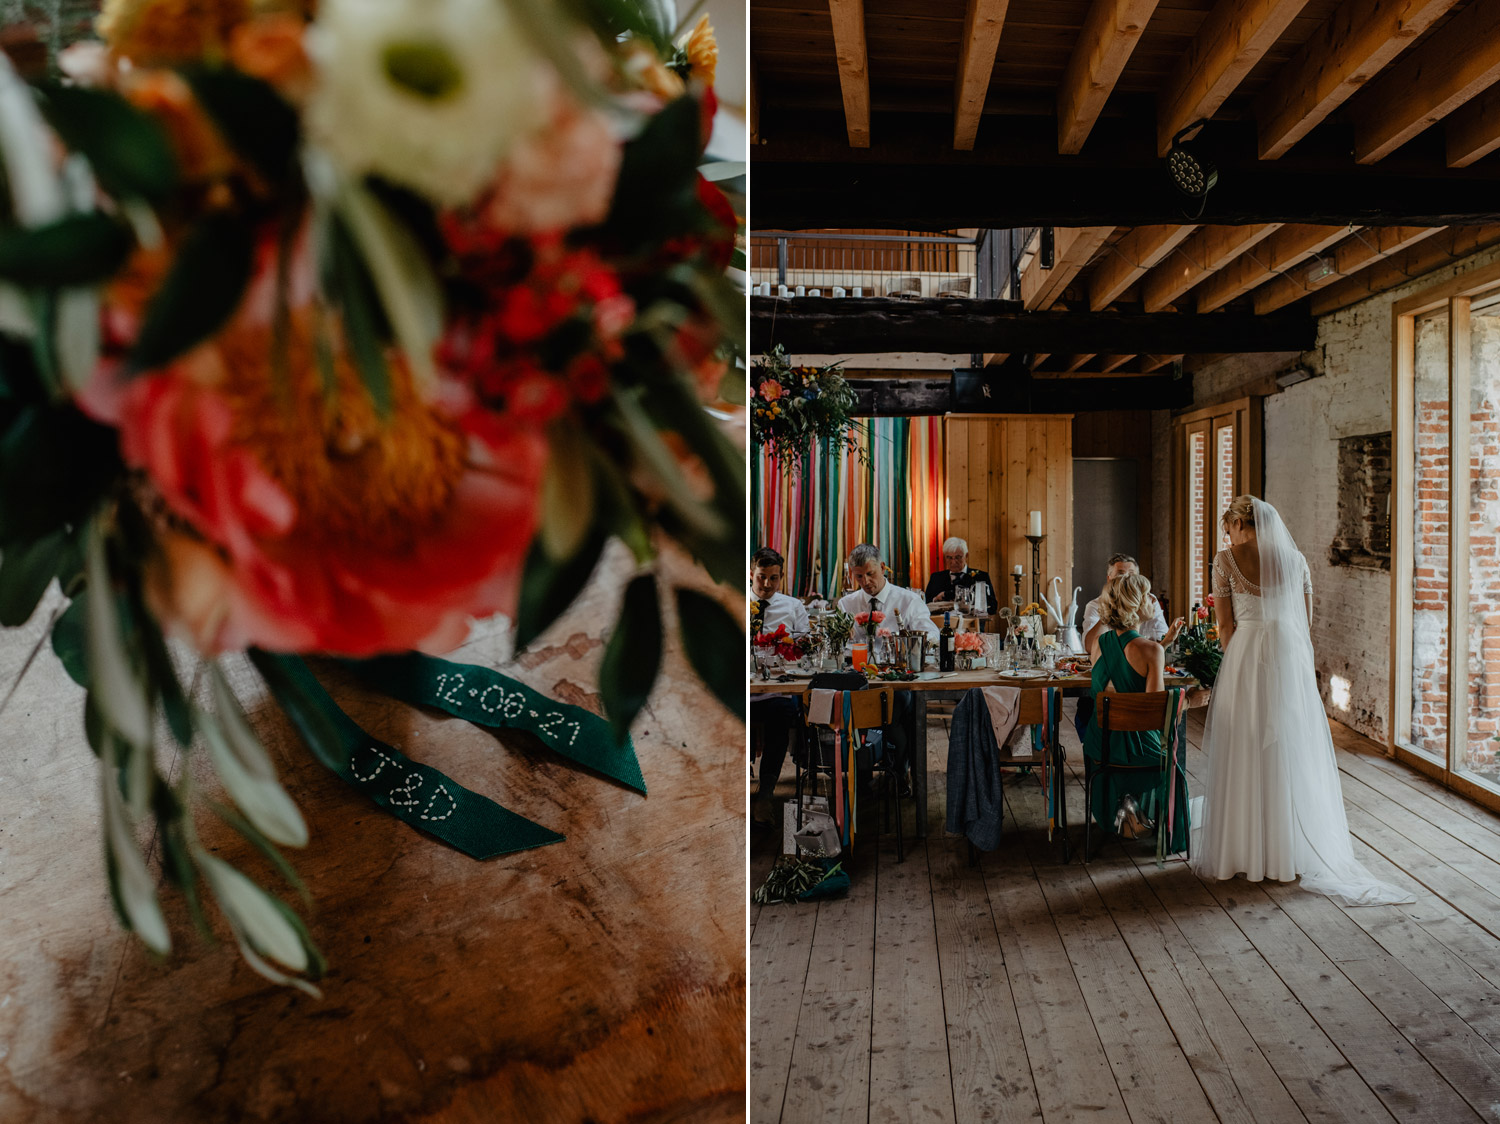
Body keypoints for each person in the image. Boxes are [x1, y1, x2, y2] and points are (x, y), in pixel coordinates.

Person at [1191, 497, 1412, 905]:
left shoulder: (1226, 561)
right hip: (1289, 654)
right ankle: (1287, 850)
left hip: (1247, 653)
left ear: (1241, 522)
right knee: (1291, 747)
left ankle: (1244, 849)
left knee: (1245, 743)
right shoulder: (1295, 560)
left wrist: (1233, 663)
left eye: (1230, 528)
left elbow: (1224, 625)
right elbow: (1304, 623)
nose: (1229, 536)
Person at [1082, 572, 1206, 851]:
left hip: (1100, 746)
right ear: (1134, 606)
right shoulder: (1151, 652)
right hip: (1135, 749)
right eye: (1148, 595)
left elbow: (1125, 664)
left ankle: (1129, 809)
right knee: (1173, 764)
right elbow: (1157, 714)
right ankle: (1146, 818)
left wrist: (1163, 645)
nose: (1153, 599)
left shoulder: (1099, 645)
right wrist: (1191, 700)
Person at [748, 547, 806, 826]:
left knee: (782, 716)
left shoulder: (793, 606)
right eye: (761, 577)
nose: (767, 585)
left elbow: (806, 650)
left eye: (774, 578)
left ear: (782, 577)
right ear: (750, 573)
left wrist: (792, 650)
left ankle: (766, 794)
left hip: (776, 690)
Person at [839, 543, 940, 640]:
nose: (865, 582)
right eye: (859, 576)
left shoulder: (910, 601)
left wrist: (907, 641)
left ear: (882, 568)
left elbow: (933, 635)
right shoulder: (845, 605)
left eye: (870, 574)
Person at [1080, 553, 1183, 647]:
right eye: (1120, 574)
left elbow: (1161, 636)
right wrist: (1107, 613)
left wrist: (1166, 641)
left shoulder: (1149, 600)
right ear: (1109, 579)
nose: (1126, 579)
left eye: (1131, 575)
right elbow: (1090, 647)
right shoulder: (1095, 605)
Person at [923, 537, 996, 609]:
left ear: (966, 555)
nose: (953, 562)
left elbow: (993, 607)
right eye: (949, 557)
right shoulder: (936, 577)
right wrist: (936, 599)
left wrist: (970, 599)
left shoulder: (980, 576)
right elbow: (923, 605)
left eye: (958, 557)